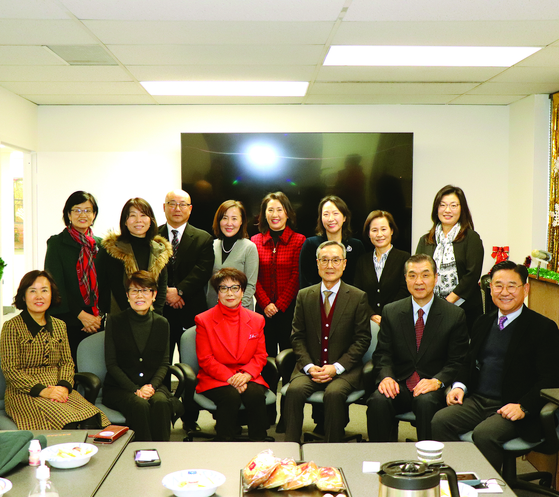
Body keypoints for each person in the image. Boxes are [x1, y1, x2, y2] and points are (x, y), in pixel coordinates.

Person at [432, 261, 559, 472]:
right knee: (440, 420)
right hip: (478, 400)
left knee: (485, 434)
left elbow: (552, 377)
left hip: (512, 405)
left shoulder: (543, 328)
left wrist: (524, 406)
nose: (504, 292)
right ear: (490, 289)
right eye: (498, 285)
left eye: (512, 286)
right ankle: (454, 479)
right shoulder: (483, 321)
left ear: (525, 289)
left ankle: (486, 489)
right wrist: (459, 386)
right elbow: (467, 362)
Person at [366, 254, 468, 442]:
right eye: (412, 275)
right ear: (405, 279)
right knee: (378, 401)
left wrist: (437, 381)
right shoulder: (391, 311)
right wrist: (387, 376)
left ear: (436, 278)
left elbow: (457, 360)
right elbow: (383, 353)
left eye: (425, 275)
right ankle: (380, 461)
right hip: (400, 382)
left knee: (425, 402)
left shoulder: (454, 315)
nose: (418, 281)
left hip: (432, 386)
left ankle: (429, 464)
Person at [284, 241, 371, 443]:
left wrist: (337, 367)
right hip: (311, 367)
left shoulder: (357, 297)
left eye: (335, 260)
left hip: (344, 370)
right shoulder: (305, 295)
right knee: (294, 391)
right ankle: (289, 450)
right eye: (325, 260)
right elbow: (297, 336)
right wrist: (308, 366)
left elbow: (362, 339)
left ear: (344, 264)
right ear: (317, 264)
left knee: (333, 394)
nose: (330, 265)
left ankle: (333, 451)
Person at [0, 270, 109, 430]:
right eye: (32, 291)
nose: (39, 296)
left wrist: (64, 387)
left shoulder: (59, 325)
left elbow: (66, 363)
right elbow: (11, 371)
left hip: (58, 389)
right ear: (23, 296)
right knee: (67, 421)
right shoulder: (12, 327)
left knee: (94, 419)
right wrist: (43, 391)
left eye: (44, 290)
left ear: (52, 295)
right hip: (25, 393)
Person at [103, 271, 179, 442]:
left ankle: (162, 450)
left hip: (153, 385)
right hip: (120, 388)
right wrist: (135, 389)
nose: (140, 296)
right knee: (140, 404)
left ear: (154, 295)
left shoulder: (162, 323)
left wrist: (151, 387)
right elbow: (112, 364)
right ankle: (142, 453)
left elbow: (164, 363)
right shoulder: (115, 321)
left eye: (145, 291)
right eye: (134, 291)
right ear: (127, 295)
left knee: (161, 402)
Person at [195, 268, 269, 441]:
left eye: (235, 288)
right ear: (217, 293)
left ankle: (259, 446)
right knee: (230, 396)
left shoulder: (257, 320)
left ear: (242, 291)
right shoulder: (203, 320)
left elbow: (260, 355)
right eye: (224, 288)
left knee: (256, 394)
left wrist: (246, 375)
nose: (230, 293)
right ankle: (225, 443)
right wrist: (231, 378)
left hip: (247, 374)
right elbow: (205, 359)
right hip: (216, 376)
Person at [45, 191, 107, 365]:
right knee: (69, 371)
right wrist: (82, 316)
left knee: (95, 372)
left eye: (88, 210)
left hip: (97, 320)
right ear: (68, 214)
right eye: (77, 210)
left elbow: (106, 284)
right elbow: (55, 285)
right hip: (68, 320)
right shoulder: (57, 243)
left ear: (94, 215)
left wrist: (97, 317)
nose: (83, 214)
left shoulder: (101, 245)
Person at [416, 185, 484, 332]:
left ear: (462, 209)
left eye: (453, 205)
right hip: (430, 310)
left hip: (465, 310)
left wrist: (447, 303)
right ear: (436, 209)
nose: (447, 210)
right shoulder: (425, 240)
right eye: (443, 205)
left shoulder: (471, 238)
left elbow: (472, 275)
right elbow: (418, 272)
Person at [158, 190, 214, 357]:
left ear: (190, 209)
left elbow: (202, 271)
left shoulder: (203, 238)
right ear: (164, 207)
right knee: (161, 362)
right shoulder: (152, 235)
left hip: (191, 309)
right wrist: (166, 292)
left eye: (182, 204)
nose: (177, 208)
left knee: (192, 363)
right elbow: (149, 271)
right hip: (161, 310)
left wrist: (179, 291)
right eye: (172, 203)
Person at [251, 192, 306, 357]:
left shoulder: (299, 240)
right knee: (264, 356)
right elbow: (254, 276)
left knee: (289, 355)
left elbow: (297, 275)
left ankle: (290, 384)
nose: (275, 215)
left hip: (289, 310)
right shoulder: (254, 241)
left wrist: (279, 305)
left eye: (279, 210)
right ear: (264, 214)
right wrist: (266, 303)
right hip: (262, 309)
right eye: (270, 210)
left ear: (287, 213)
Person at [102, 197, 172, 315]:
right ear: (125, 221)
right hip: (121, 318)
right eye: (133, 216)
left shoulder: (159, 250)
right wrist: (136, 317)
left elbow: (161, 289)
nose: (138, 220)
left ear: (151, 220)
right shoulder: (114, 249)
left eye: (143, 215)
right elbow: (115, 289)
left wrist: (155, 316)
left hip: (152, 320)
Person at [354, 210, 410, 325]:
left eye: (383, 229)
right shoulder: (362, 261)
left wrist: (387, 314)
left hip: (397, 319)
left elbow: (405, 289)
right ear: (369, 233)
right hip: (368, 322)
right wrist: (372, 315)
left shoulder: (404, 258)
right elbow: (358, 292)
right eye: (374, 230)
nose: (379, 234)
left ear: (392, 231)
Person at [299, 195, 365, 288]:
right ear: (321, 218)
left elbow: (360, 281)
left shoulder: (356, 246)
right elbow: (305, 281)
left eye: (335, 213)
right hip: (318, 299)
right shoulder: (310, 244)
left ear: (344, 217)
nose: (330, 219)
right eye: (326, 214)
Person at [206, 200, 258, 310]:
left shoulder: (249, 247)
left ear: (241, 221)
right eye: (224, 218)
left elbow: (250, 285)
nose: (229, 223)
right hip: (213, 311)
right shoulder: (211, 245)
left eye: (234, 218)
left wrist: (235, 309)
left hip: (240, 312)